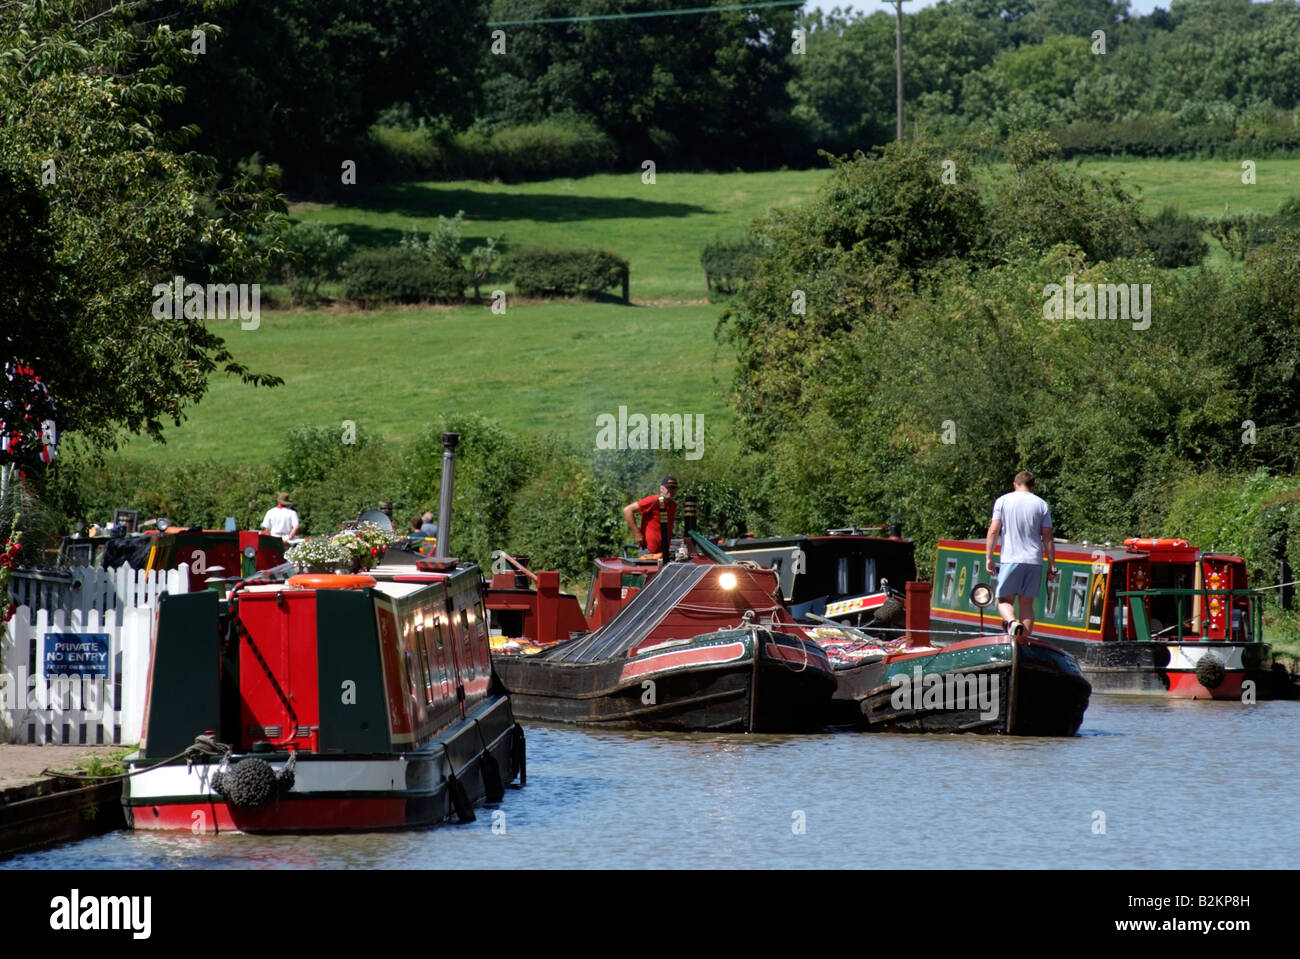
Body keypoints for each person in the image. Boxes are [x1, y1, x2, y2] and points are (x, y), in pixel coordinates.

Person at [985, 470, 1056, 637]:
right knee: (1026, 606)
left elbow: (994, 530)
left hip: (1011, 559)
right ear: (1033, 487)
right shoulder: (1041, 504)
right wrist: (1052, 564)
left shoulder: (1003, 501)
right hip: (1034, 561)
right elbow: (1047, 536)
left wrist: (989, 557)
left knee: (1004, 600)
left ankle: (1012, 623)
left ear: (1014, 485)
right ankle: (1023, 643)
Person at [623, 476, 678, 555]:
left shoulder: (673, 505)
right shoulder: (653, 500)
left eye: (673, 488)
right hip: (648, 550)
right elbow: (627, 510)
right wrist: (637, 534)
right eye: (668, 487)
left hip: (664, 551)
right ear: (661, 488)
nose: (671, 490)